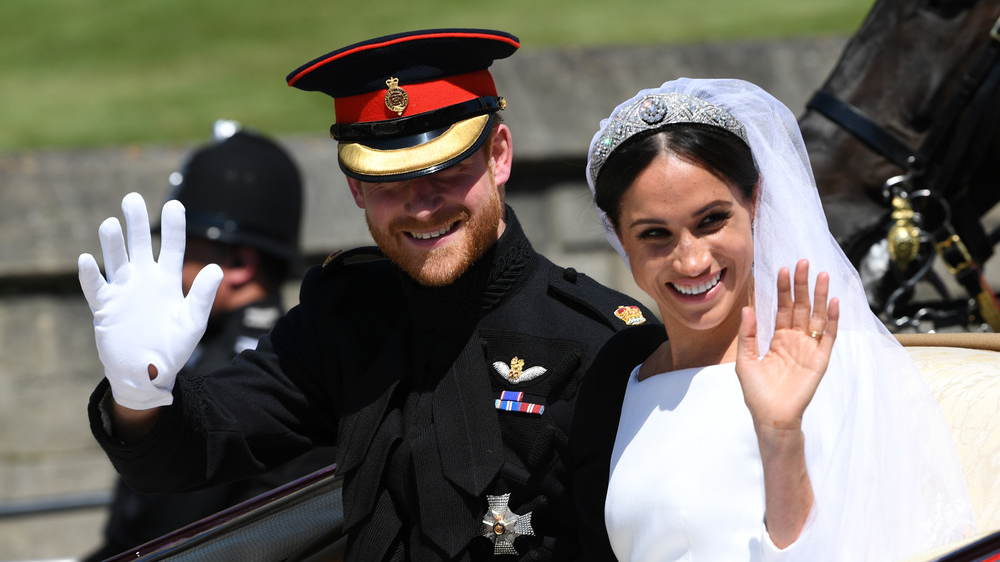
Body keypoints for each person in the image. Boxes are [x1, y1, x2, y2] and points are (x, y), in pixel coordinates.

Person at [77, 29, 657, 560]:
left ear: (498, 155)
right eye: (388, 181)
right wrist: (141, 392)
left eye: (447, 170)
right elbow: (198, 449)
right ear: (356, 186)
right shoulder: (345, 319)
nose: (422, 204)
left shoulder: (599, 341)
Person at [571, 78, 975, 561]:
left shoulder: (834, 365)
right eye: (656, 233)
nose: (692, 261)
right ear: (617, 234)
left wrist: (781, 436)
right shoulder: (622, 378)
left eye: (712, 220)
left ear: (755, 201)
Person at [81, 121, 338, 561]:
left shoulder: (248, 368)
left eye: (184, 250)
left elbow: (162, 534)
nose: (170, 267)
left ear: (239, 263)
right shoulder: (227, 348)